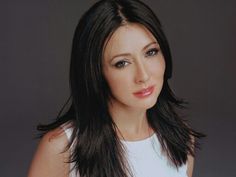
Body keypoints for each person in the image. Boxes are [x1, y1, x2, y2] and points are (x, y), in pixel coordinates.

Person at [28, 0, 205, 177]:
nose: (143, 75)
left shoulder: (181, 138)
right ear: (95, 72)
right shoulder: (61, 147)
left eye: (150, 52)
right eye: (122, 63)